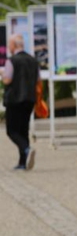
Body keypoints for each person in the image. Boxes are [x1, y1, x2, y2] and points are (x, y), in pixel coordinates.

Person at [3, 34, 39, 170]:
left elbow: (7, 79)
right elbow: (38, 80)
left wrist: (2, 75)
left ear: (14, 45)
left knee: (12, 130)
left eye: (9, 44)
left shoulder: (11, 61)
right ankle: (23, 163)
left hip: (14, 99)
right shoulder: (33, 61)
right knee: (23, 130)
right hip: (29, 99)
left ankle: (26, 149)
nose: (8, 47)